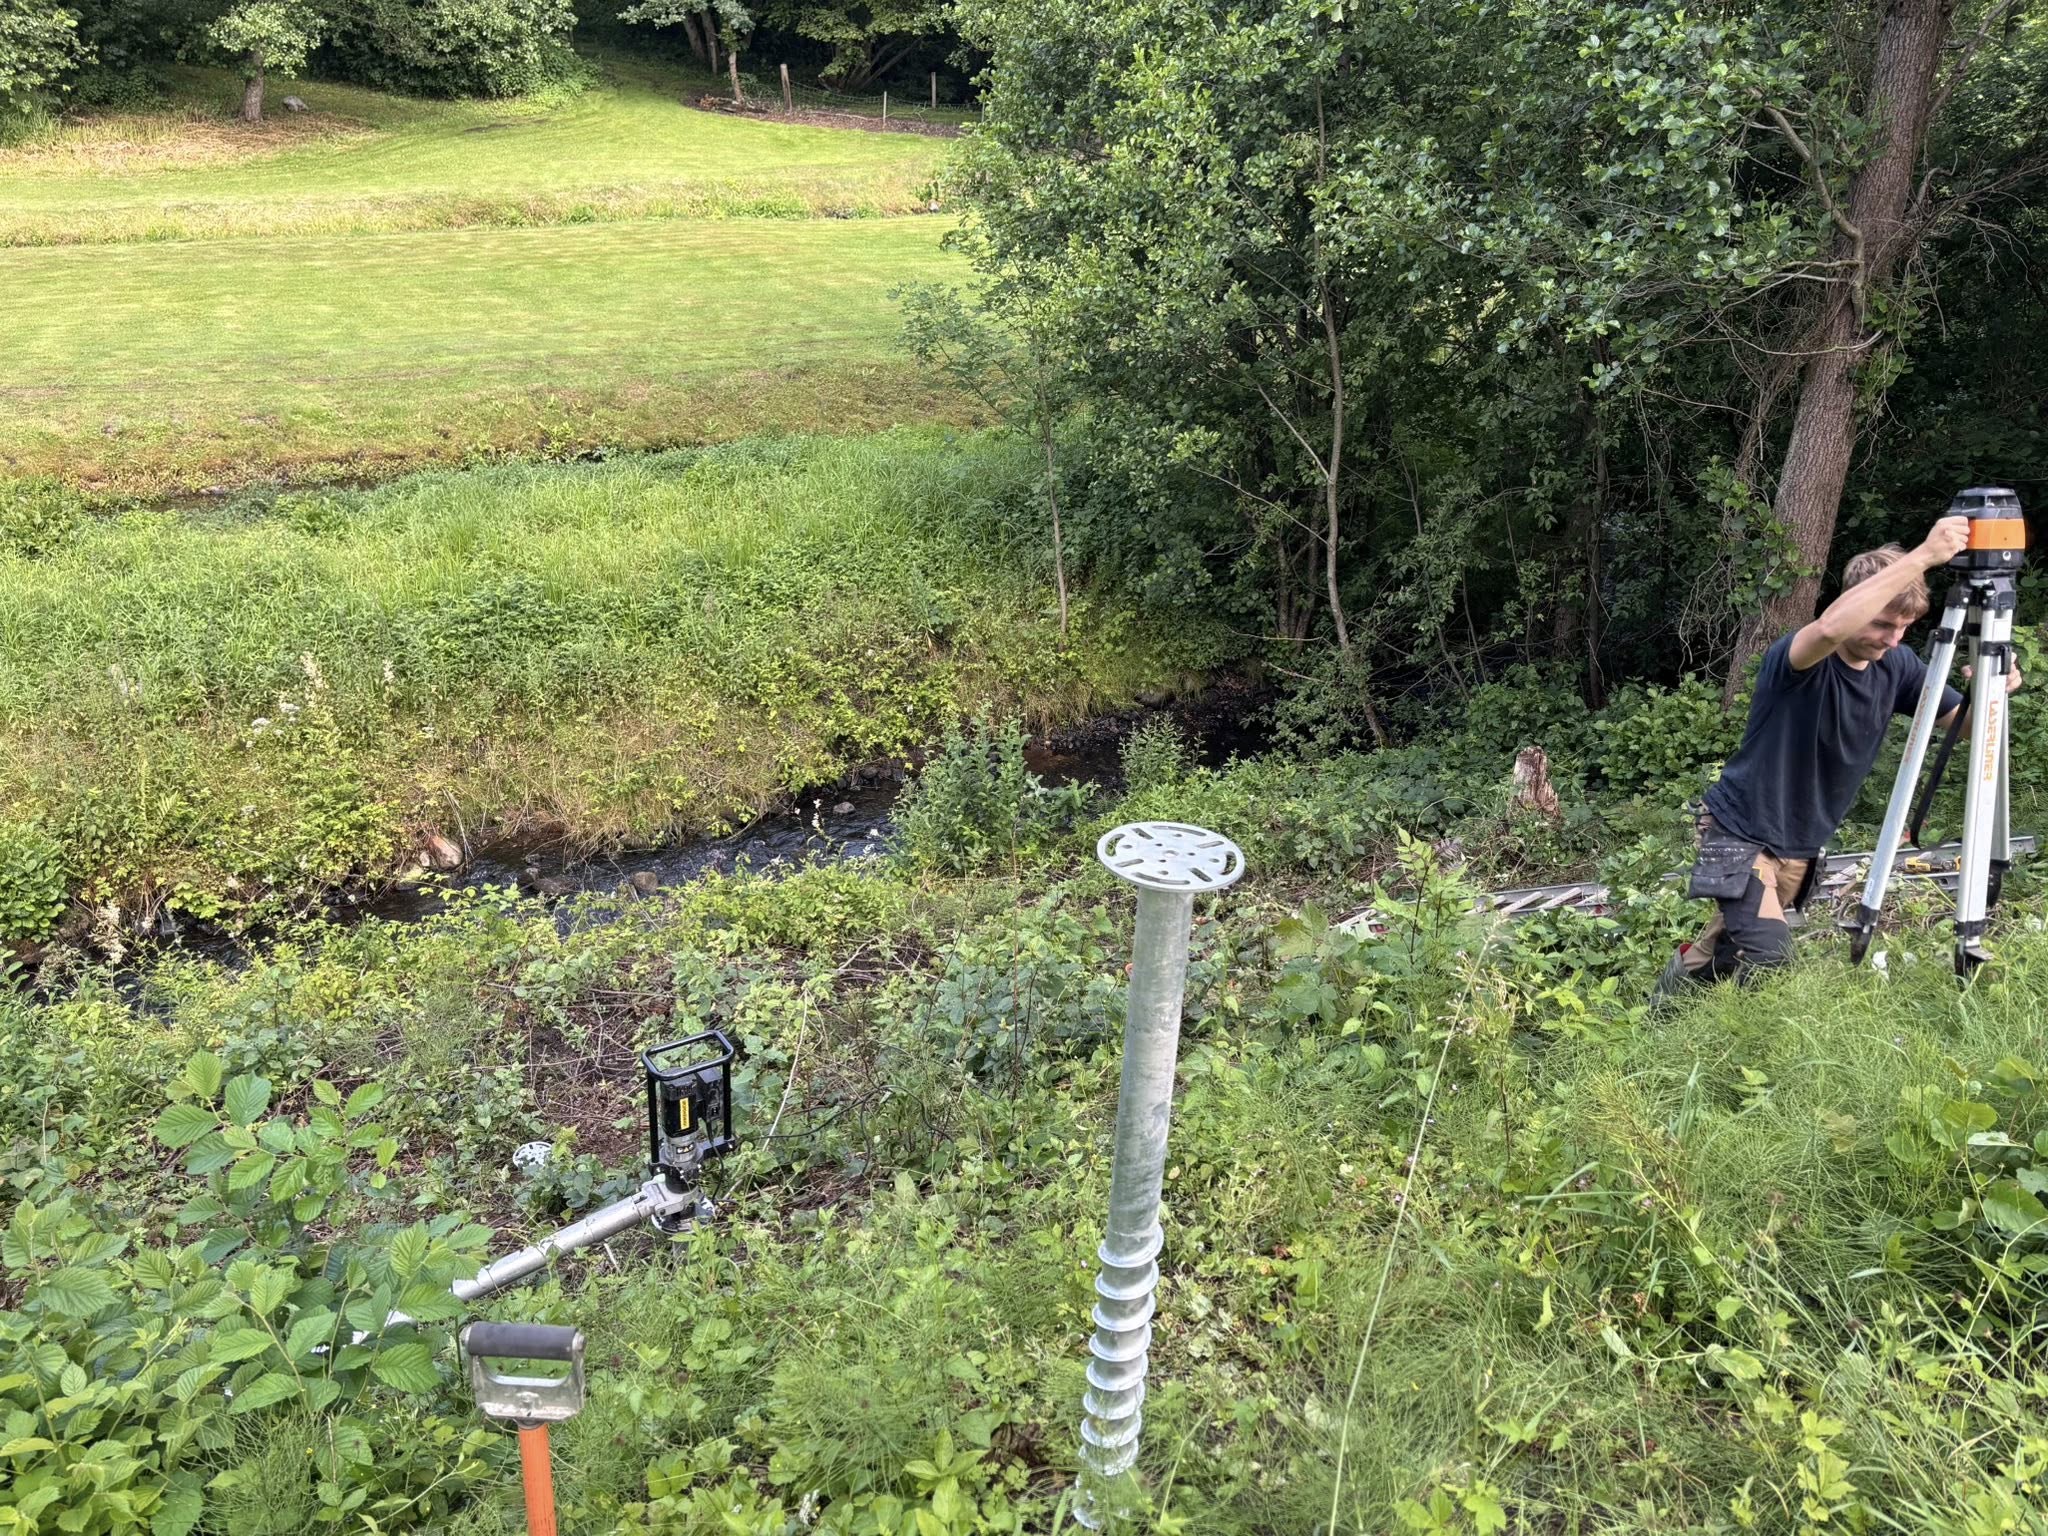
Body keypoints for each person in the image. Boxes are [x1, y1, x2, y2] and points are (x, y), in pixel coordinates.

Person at [1654, 514, 2024, 997]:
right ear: (1855, 603)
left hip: (1800, 843)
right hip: (1742, 832)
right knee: (1770, 954)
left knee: (1729, 947)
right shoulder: (1799, 659)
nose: (1893, 638)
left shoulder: (1898, 665)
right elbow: (1830, 628)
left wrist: (1994, 691)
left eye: (1904, 627)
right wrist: (1923, 556)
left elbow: (1968, 727)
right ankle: (1735, 1030)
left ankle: (1665, 1011)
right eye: (1882, 623)